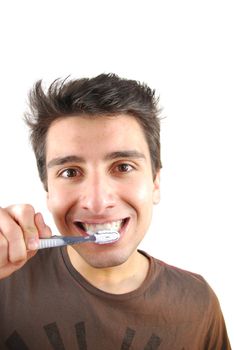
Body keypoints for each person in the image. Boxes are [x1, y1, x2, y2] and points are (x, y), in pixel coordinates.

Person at [0, 74, 231, 350]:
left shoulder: (198, 304)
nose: (97, 203)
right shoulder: (4, 282)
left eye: (123, 167)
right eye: (70, 172)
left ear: (155, 182)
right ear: (48, 190)